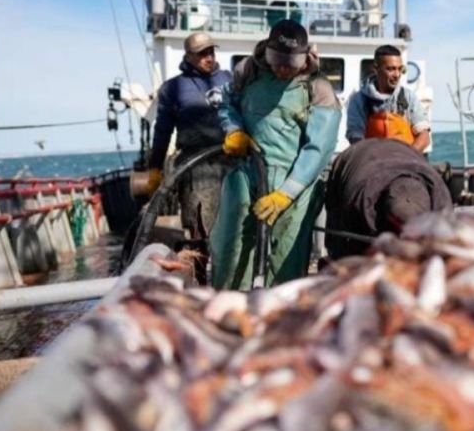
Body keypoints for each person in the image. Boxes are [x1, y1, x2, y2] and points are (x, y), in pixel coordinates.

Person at [209, 19, 341, 289]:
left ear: (304, 60)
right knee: (232, 245)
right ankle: (229, 307)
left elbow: (318, 149)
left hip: (295, 182)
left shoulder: (319, 89)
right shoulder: (248, 71)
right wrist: (233, 130)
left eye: (290, 65)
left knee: (287, 258)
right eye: (277, 62)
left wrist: (286, 194)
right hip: (247, 170)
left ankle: (281, 314)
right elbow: (227, 102)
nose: (282, 70)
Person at [146, 32, 232, 245]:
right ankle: (202, 272)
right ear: (188, 56)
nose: (209, 57)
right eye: (202, 53)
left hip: (233, 160)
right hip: (196, 167)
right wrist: (155, 167)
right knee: (201, 227)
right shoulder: (172, 88)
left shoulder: (229, 79)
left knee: (236, 223)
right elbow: (163, 130)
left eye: (211, 51)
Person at [324, 138, 453, 260]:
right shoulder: (357, 200)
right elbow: (352, 243)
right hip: (355, 157)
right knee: (342, 245)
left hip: (402, 152)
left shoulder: (441, 202)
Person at [346, 45, 431, 152]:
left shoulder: (409, 97)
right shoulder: (358, 100)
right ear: (375, 68)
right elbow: (356, 138)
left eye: (400, 69)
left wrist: (408, 156)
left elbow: (424, 136)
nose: (397, 74)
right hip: (372, 160)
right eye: (391, 69)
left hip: (407, 159)